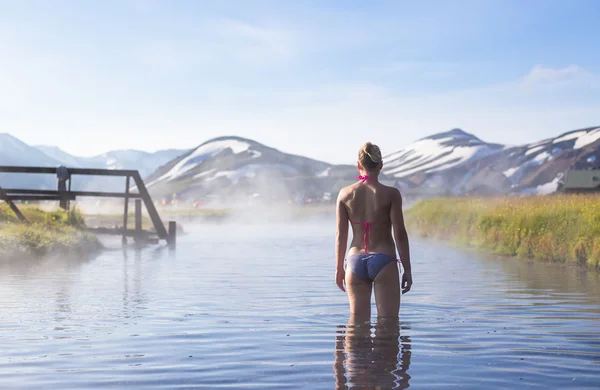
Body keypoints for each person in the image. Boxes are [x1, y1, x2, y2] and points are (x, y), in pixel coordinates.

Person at [335, 142, 412, 319]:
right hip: (384, 260)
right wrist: (407, 269)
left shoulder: (344, 194)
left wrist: (339, 268)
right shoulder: (391, 194)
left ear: (358, 165)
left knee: (356, 327)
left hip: (354, 262)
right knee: (388, 324)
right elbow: (400, 233)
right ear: (380, 166)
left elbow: (341, 235)